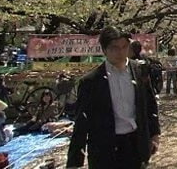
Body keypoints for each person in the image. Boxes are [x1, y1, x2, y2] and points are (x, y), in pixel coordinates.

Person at [67, 26, 160, 169]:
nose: (120, 52)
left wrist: (154, 135)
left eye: (124, 47)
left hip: (135, 143)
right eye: (114, 48)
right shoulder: (91, 81)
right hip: (105, 148)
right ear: (104, 50)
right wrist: (74, 161)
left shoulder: (139, 70)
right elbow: (81, 122)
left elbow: (149, 103)